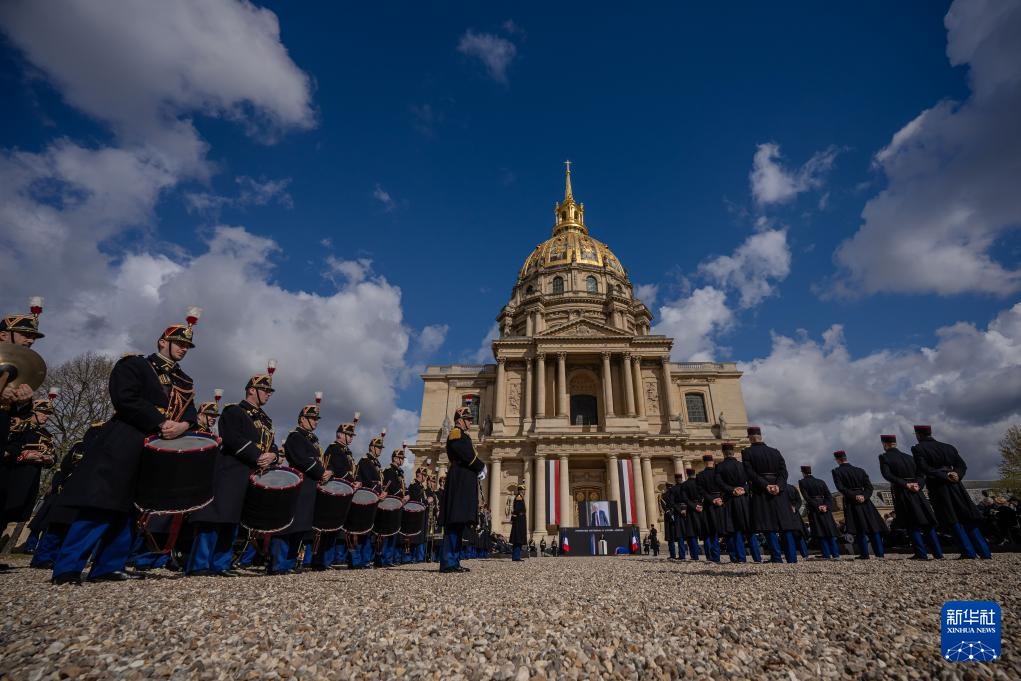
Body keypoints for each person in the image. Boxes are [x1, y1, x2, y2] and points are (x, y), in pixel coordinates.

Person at [52, 313, 199, 584]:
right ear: (162, 341)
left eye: (187, 346)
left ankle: (108, 565)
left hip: (156, 448)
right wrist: (159, 421)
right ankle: (68, 567)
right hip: (127, 438)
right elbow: (125, 398)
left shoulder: (185, 380)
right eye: (178, 343)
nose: (183, 348)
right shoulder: (135, 365)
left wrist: (184, 426)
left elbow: (190, 412)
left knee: (133, 509)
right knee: (100, 504)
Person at [187, 367, 278, 576]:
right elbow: (232, 438)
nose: (268, 394)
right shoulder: (233, 411)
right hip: (230, 470)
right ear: (251, 390)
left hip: (251, 473)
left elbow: (271, 445)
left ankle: (221, 563)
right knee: (214, 518)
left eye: (269, 391)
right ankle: (199, 564)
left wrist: (272, 455)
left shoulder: (266, 420)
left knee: (232, 520)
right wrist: (257, 455)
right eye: (265, 390)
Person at [0, 300, 45, 571]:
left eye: (33, 337)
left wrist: (24, 402)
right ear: (4, 335)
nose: (30, 340)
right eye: (26, 334)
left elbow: (21, 418)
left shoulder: (16, 367)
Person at [911, 425, 991, 559]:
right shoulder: (948, 447)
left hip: (939, 486)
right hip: (956, 485)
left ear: (918, 435)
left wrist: (943, 476)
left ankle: (968, 552)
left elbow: (924, 468)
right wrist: (956, 474)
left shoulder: (918, 449)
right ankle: (985, 551)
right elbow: (962, 465)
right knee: (967, 517)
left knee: (952, 518)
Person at [273, 400, 332, 574]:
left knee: (300, 527)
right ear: (301, 419)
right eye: (312, 418)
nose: (315, 421)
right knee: (289, 526)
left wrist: (324, 472)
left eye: (316, 419)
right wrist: (321, 472)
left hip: (309, 486)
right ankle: (278, 564)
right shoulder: (295, 437)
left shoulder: (312, 440)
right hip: (298, 485)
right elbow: (302, 460)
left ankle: (289, 563)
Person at [878, 434, 943, 560]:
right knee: (927, 523)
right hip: (917, 491)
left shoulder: (884, 457)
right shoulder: (909, 457)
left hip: (903, 491)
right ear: (895, 443)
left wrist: (905, 484)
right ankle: (938, 553)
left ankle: (921, 553)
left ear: (884, 444)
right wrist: (918, 484)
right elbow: (921, 472)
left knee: (912, 523)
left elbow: (887, 475)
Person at [742, 426, 801, 563]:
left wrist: (765, 485)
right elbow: (784, 472)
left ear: (750, 438)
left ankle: (776, 557)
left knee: (768, 525)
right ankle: (791, 558)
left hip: (762, 491)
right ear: (761, 436)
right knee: (785, 525)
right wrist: (778, 486)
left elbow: (749, 473)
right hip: (779, 492)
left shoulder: (747, 452)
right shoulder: (775, 452)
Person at [440, 406, 486, 573]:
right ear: (459, 420)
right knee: (454, 522)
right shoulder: (456, 433)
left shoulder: (463, 435)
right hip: (459, 481)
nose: (470, 422)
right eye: (467, 419)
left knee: (459, 524)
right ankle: (448, 561)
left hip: (463, 481)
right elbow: (465, 454)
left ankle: (454, 560)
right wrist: (480, 466)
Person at [3, 399, 56, 536]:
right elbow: (10, 446)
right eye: (43, 412)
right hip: (11, 473)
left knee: (8, 517)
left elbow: (53, 456)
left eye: (48, 413)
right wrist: (23, 456)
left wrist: (48, 460)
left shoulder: (46, 435)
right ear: (34, 411)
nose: (47, 416)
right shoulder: (17, 424)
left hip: (29, 477)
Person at [831, 450, 887, 559]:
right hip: (865, 501)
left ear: (837, 460)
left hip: (852, 501)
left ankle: (864, 554)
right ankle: (880, 553)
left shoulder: (836, 471)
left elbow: (841, 488)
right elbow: (869, 487)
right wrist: (864, 496)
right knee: (873, 527)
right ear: (846, 457)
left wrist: (854, 496)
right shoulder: (860, 470)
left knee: (859, 528)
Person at [318, 419, 358, 568]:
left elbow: (352, 470)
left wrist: (356, 480)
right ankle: (322, 560)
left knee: (337, 527)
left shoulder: (347, 452)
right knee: (329, 527)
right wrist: (351, 478)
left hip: (345, 491)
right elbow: (336, 468)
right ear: (340, 434)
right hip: (335, 490)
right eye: (349, 434)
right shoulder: (333, 449)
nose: (352, 437)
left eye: (352, 435)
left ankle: (331, 559)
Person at [716, 442, 763, 563]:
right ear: (733, 452)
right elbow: (752, 481)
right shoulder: (743, 466)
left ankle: (741, 558)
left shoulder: (720, 467)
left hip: (731, 500)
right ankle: (757, 557)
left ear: (723, 453)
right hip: (745, 500)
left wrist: (732, 490)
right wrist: (744, 489)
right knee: (749, 529)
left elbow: (719, 484)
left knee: (736, 529)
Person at [351, 432, 385, 568]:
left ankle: (365, 560)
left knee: (369, 531)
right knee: (360, 530)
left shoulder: (376, 463)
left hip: (374, 499)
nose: (380, 450)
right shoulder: (365, 461)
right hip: (364, 499)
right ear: (371, 447)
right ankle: (356, 560)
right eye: (378, 447)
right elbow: (368, 480)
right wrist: (379, 491)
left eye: (381, 448)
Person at [797, 466, 841, 560]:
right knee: (830, 531)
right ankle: (835, 554)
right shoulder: (821, 481)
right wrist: (826, 506)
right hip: (825, 508)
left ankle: (826, 553)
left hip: (814, 509)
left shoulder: (802, 482)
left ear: (803, 472)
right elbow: (828, 496)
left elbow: (807, 498)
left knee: (820, 531)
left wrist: (817, 506)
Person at [695, 454, 729, 562]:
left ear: (704, 462)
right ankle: (735, 555)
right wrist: (721, 499)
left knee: (711, 530)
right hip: (721, 502)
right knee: (725, 528)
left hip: (709, 504)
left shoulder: (700, 475)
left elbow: (700, 491)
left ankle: (714, 556)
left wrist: (712, 500)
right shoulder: (719, 474)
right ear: (713, 461)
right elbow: (725, 487)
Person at [379, 446, 408, 567]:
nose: (402, 460)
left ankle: (389, 558)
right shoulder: (389, 470)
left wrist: (407, 495)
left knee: (394, 532)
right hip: (390, 503)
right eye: (400, 458)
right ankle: (383, 558)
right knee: (387, 532)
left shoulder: (400, 472)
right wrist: (401, 495)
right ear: (395, 458)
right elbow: (391, 486)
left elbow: (402, 487)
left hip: (398, 504)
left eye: (403, 458)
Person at [679, 468, 705, 560]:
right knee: (705, 532)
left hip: (691, 510)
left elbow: (684, 499)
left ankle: (695, 555)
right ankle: (711, 555)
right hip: (702, 508)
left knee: (692, 533)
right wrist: (700, 505)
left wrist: (694, 506)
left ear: (687, 474)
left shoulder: (685, 485)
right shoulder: (700, 483)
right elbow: (704, 495)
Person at [785, 484, 810, 559]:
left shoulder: (782, 487)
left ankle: (792, 555)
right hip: (794, 512)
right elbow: (799, 500)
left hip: (786, 513)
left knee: (792, 534)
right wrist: (795, 507)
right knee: (798, 534)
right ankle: (804, 554)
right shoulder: (792, 487)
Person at [510, 483, 527, 561]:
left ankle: (517, 556)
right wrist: (518, 517)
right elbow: (517, 509)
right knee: (518, 538)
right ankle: (516, 556)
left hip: (521, 519)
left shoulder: (521, 498)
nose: (524, 491)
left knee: (519, 538)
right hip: (519, 520)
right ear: (520, 490)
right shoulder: (519, 498)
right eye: (523, 490)